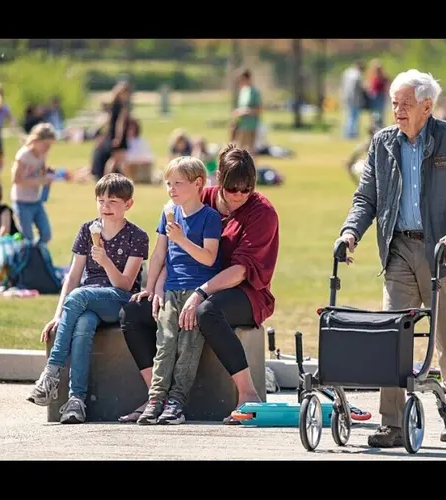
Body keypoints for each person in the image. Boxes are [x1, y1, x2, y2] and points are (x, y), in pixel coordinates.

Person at [336, 69, 446, 448]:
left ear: (426, 106)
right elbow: (365, 198)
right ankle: (393, 424)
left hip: (443, 254)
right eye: (394, 104)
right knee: (393, 335)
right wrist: (350, 231)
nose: (398, 111)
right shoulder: (383, 142)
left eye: (405, 104)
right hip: (399, 250)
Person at [118, 145, 279, 425]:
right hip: (184, 287)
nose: (240, 195)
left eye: (247, 189)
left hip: (245, 292)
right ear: (218, 180)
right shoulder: (199, 197)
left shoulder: (261, 212)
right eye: (233, 188)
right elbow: (169, 250)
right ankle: (157, 396)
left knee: (207, 312)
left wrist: (201, 293)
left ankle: (248, 393)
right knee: (132, 313)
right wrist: (156, 289)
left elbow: (241, 271)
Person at [26, 173, 149, 424]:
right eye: (101, 200)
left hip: (118, 299)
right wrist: (58, 315)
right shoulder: (87, 229)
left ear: (128, 204)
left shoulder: (137, 236)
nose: (106, 206)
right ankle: (76, 402)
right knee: (82, 325)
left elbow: (125, 284)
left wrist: (105, 261)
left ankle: (51, 373)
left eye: (113, 201)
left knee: (80, 296)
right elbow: (72, 278)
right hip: (84, 302)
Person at [131, 156, 222, 425]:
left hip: (196, 292)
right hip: (171, 290)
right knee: (165, 343)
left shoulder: (210, 217)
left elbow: (209, 258)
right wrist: (149, 289)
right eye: (168, 183)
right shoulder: (169, 214)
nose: (171, 189)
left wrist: (181, 239)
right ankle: (156, 398)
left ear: (198, 184)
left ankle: (176, 403)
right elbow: (159, 254)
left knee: (188, 347)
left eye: (177, 184)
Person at [10, 123, 56, 245]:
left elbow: (41, 171)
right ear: (35, 141)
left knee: (46, 234)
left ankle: (36, 253)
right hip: (22, 202)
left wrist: (48, 173)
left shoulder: (42, 154)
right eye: (46, 145)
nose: (48, 149)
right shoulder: (23, 156)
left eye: (50, 146)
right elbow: (16, 179)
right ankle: (28, 258)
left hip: (36, 200)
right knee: (27, 238)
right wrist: (40, 181)